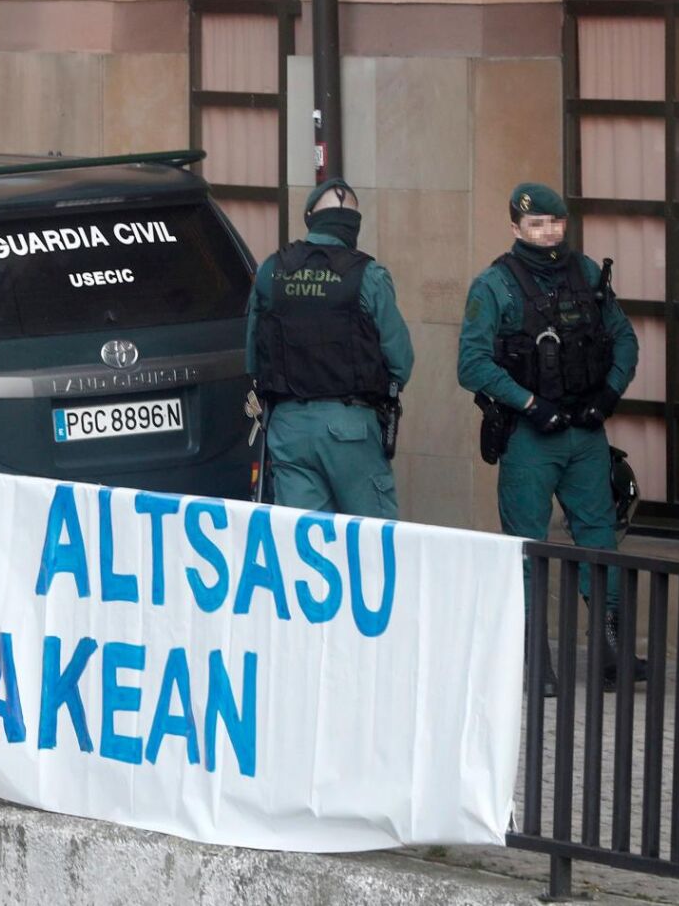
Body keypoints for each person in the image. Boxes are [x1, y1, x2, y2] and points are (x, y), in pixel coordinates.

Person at [458, 182, 641, 696]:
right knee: (526, 548)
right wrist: (530, 405)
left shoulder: (587, 274)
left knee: (600, 538)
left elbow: (625, 339)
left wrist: (608, 394)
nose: (548, 232)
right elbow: (472, 365)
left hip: (585, 432)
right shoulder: (494, 285)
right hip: (530, 438)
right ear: (515, 228)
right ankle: (533, 660)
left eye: (555, 222)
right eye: (536, 224)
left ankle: (610, 652)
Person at [246, 179, 413, 519]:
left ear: (310, 218)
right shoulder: (369, 275)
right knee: (370, 537)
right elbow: (400, 360)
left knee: (304, 538)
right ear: (354, 225)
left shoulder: (271, 270)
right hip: (351, 428)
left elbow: (252, 354)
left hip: (288, 428)